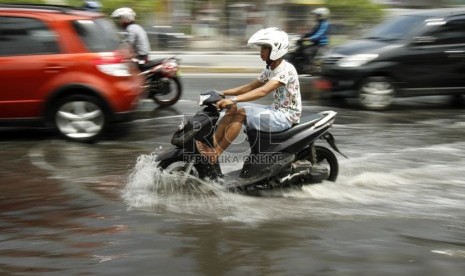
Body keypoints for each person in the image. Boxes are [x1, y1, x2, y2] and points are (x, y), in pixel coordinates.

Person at [196, 27, 302, 164]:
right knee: (233, 107)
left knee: (241, 113)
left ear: (276, 49)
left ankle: (216, 154)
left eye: (265, 48)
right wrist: (223, 93)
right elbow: (250, 87)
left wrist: (233, 99)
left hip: (286, 117)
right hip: (275, 110)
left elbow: (263, 91)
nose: (261, 52)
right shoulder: (270, 68)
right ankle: (212, 144)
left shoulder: (286, 70)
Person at [300, 7, 330, 72]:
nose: (315, 17)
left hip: (321, 45)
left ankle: (312, 67)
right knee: (301, 48)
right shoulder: (319, 24)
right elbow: (313, 33)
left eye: (317, 15)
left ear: (321, 15)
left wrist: (309, 38)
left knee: (307, 51)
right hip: (315, 44)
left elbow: (319, 34)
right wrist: (304, 35)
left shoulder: (325, 24)